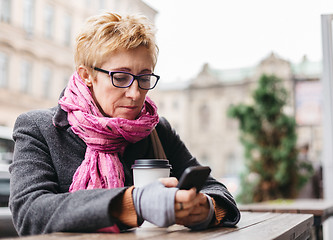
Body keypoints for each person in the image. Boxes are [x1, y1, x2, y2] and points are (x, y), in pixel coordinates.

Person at [9, 12, 240, 236]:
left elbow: (218, 192)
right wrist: (133, 203)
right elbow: (29, 213)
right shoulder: (38, 128)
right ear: (86, 75)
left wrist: (203, 209)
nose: (135, 93)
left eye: (144, 78)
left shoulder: (157, 130)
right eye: (120, 78)